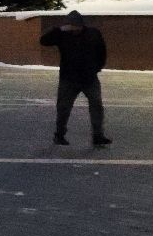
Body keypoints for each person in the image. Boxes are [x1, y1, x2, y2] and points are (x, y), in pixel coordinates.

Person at [40, 11, 110, 147]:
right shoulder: (62, 34)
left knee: (96, 106)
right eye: (70, 26)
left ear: (81, 25)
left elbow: (102, 51)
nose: (74, 29)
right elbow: (44, 41)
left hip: (89, 78)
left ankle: (98, 135)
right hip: (69, 78)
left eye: (75, 26)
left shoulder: (93, 33)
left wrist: (97, 68)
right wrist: (58, 30)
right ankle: (59, 135)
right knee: (63, 108)